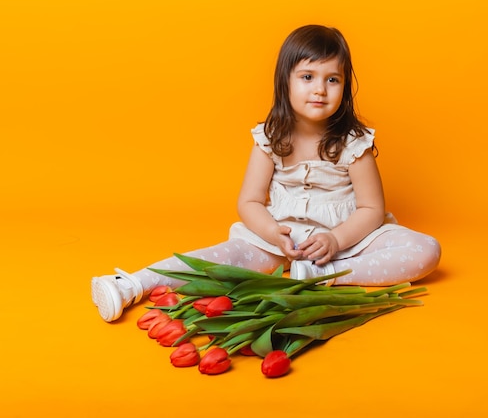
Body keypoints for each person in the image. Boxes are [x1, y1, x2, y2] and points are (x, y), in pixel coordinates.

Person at [91, 24, 441, 322]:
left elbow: (371, 210)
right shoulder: (270, 138)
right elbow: (249, 201)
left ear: (345, 86)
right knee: (221, 258)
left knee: (426, 250)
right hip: (280, 244)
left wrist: (334, 241)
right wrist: (273, 234)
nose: (320, 89)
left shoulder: (353, 143)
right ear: (284, 81)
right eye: (307, 77)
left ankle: (323, 275)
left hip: (345, 243)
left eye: (332, 79)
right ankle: (132, 284)